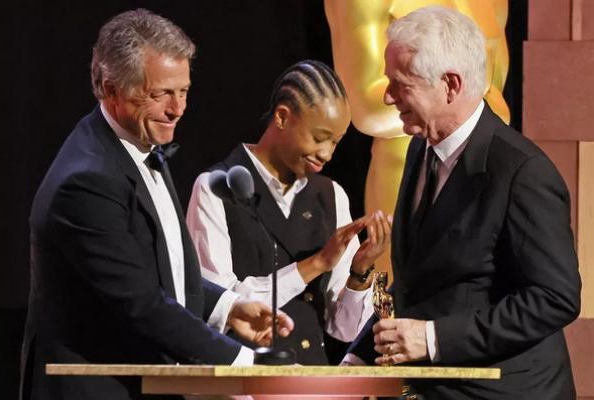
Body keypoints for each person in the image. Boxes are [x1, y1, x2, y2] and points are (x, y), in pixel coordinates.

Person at [20, 9, 293, 400]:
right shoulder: (86, 181)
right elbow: (139, 302)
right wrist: (247, 365)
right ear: (110, 89)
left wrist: (227, 308)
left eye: (183, 90)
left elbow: (156, 266)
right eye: (160, 93)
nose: (177, 108)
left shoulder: (137, 141)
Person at [344, 6, 581, 399]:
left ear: (450, 85)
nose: (387, 96)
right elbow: (424, 286)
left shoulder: (521, 172)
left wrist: (434, 338)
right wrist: (356, 362)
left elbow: (554, 298)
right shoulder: (420, 149)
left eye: (400, 83)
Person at [186, 60, 391, 365]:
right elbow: (218, 305)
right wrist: (316, 264)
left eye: (336, 142)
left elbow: (344, 329)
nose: (327, 154)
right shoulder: (216, 187)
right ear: (282, 117)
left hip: (312, 381)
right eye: (319, 137)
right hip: (241, 381)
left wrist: (360, 271)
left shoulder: (330, 195)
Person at [325, 0, 510, 282]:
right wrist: (457, 100)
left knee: (480, 297)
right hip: (408, 174)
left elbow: (498, 100)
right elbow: (367, 107)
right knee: (407, 302)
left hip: (485, 170)